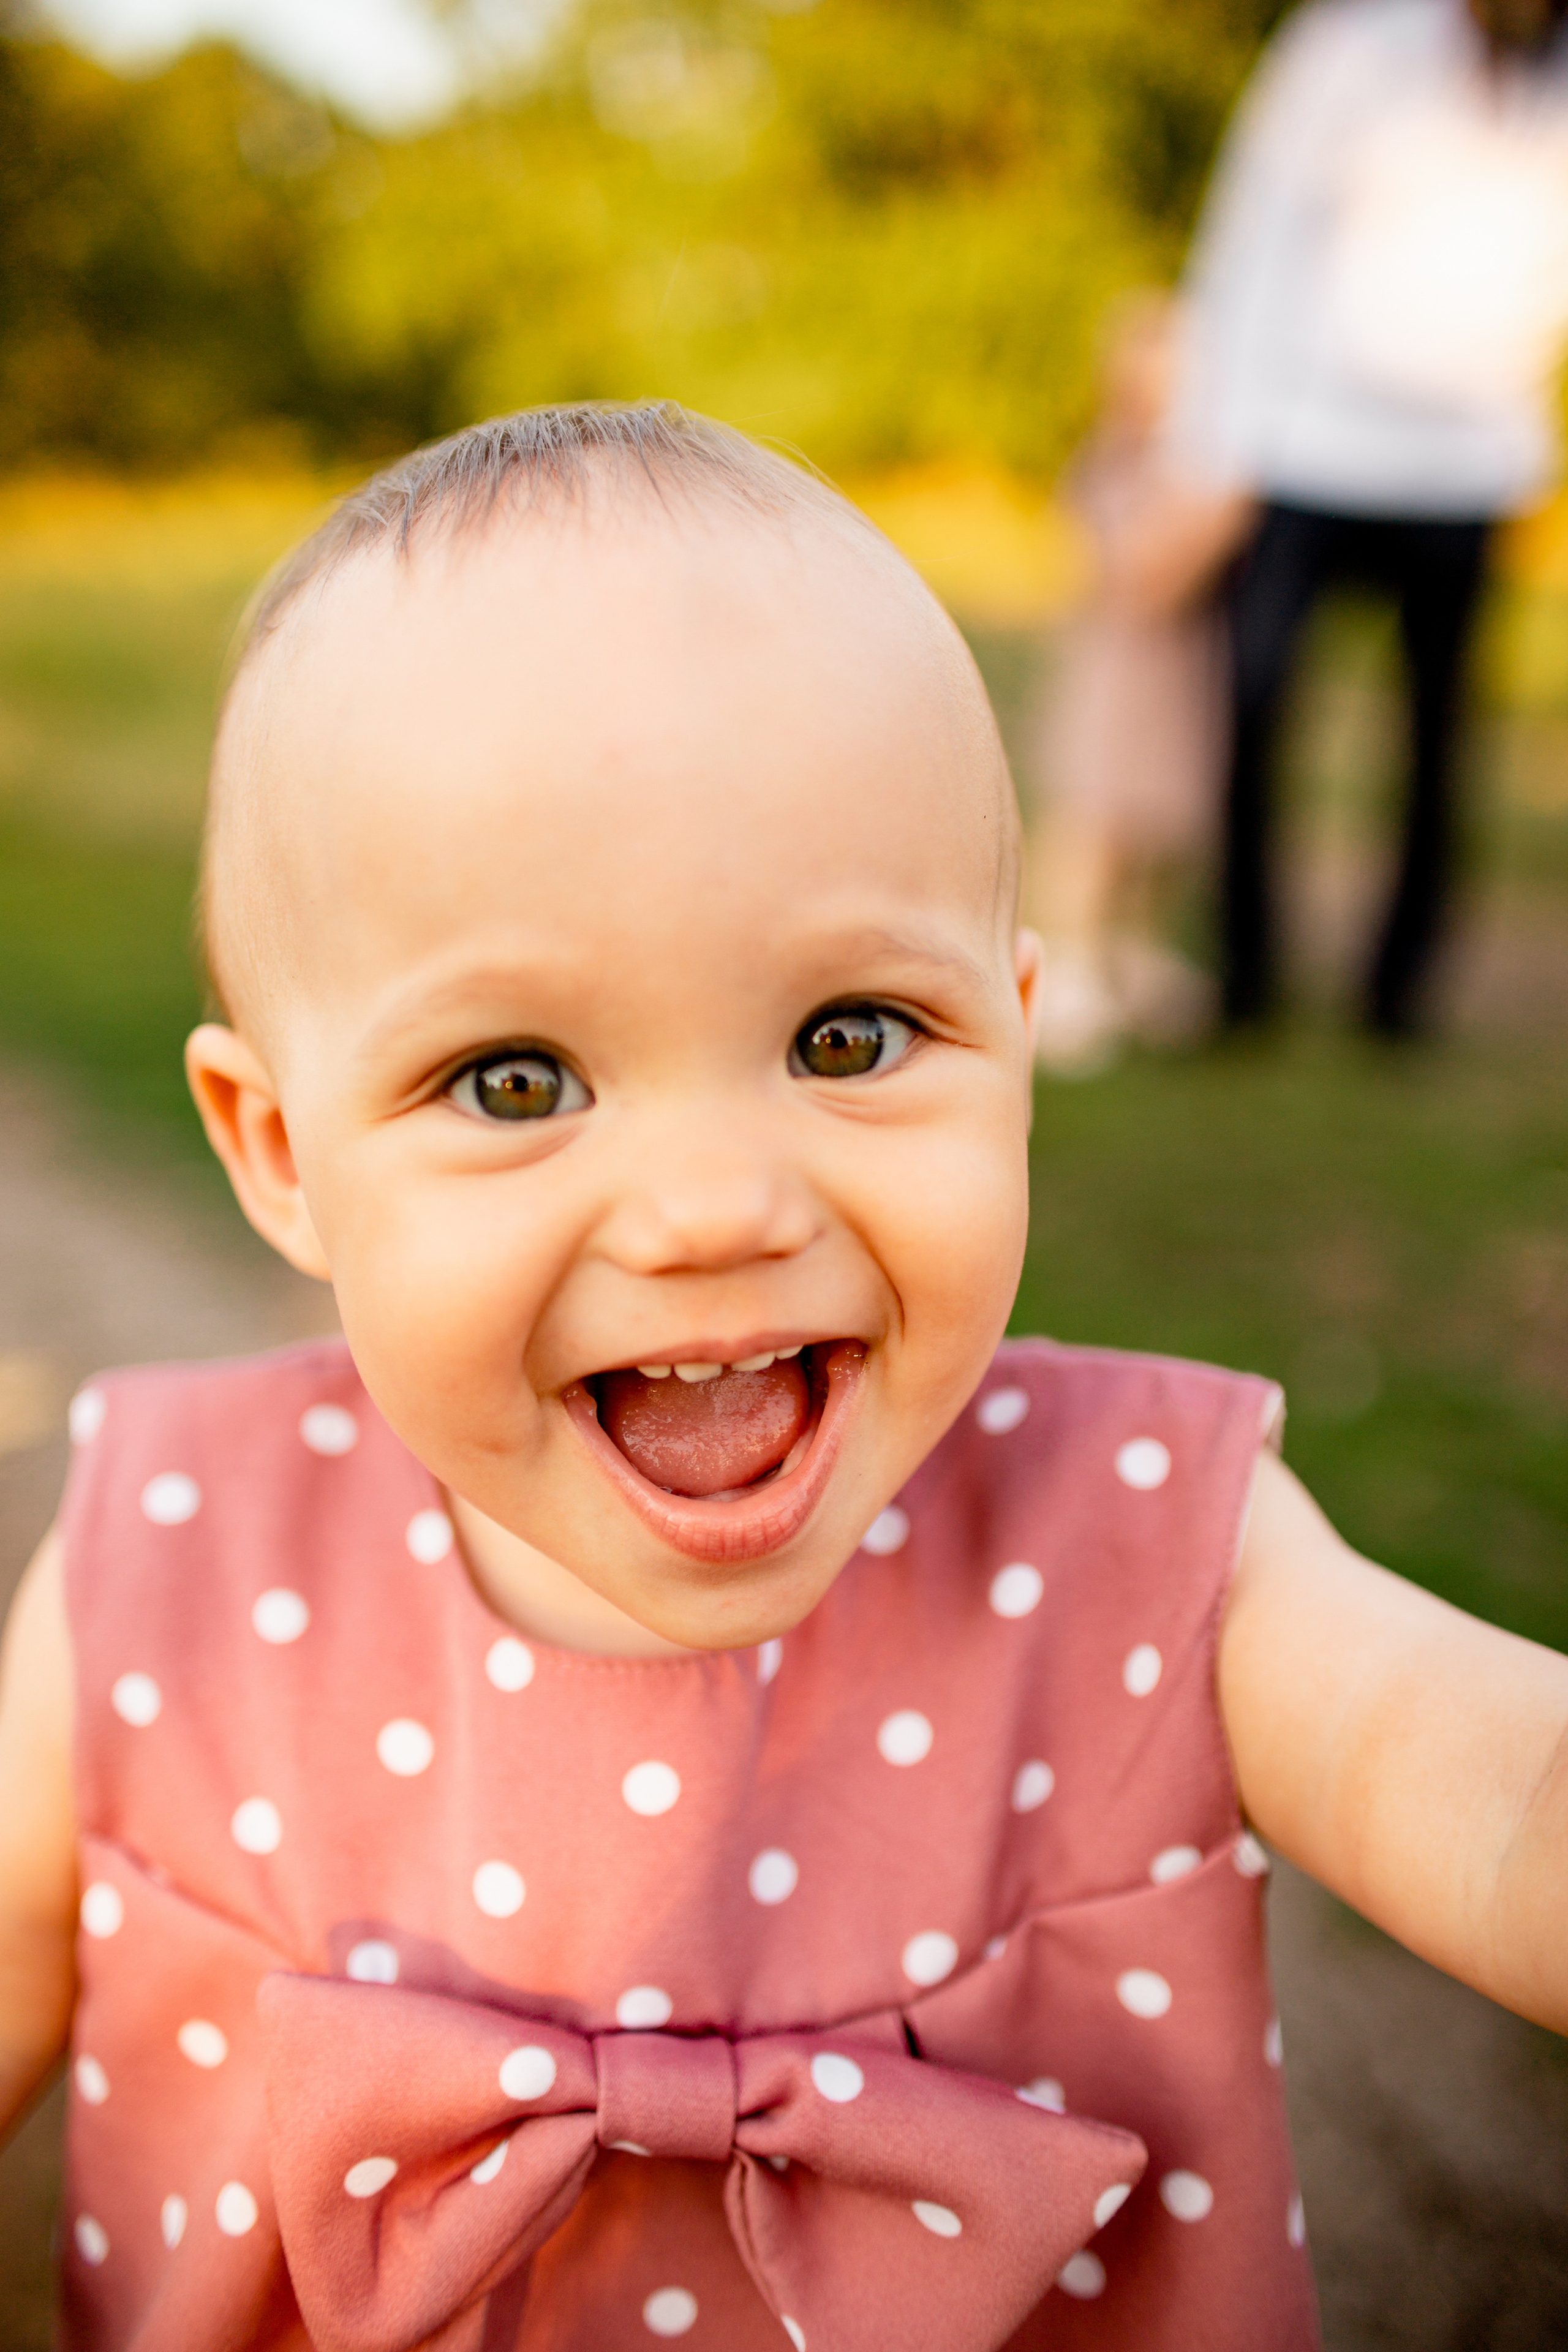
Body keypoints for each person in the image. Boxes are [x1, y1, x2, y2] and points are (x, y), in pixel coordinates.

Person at [2, 403, 1568, 2352]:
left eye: (847, 1032)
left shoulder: (1148, 1534)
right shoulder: (170, 1564)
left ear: (1011, 1033)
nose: (715, 1206)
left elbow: (1505, 1799)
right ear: (282, 1155)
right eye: (515, 1079)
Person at [1171, 0, 1568, 1035]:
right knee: (1255, 714)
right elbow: (1250, 234)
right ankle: (1246, 975)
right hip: (1308, 447)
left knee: (1440, 738)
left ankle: (1402, 993)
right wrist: (1219, 441)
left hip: (1468, 465)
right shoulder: (1350, 44)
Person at [1028, 295, 1251, 1073]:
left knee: (1162, 820)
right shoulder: (1114, 460)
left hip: (1181, 670)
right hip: (1119, 667)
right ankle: (1070, 963)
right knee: (1094, 817)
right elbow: (1140, 576)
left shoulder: (1206, 466)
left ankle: (1135, 953)